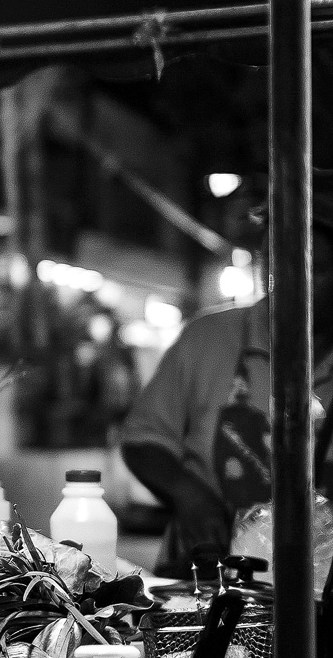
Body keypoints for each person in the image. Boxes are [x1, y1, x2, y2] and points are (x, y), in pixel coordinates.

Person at [121, 175, 333, 578]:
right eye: (275, 264)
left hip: (317, 585)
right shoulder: (208, 338)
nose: (290, 285)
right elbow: (142, 438)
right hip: (201, 572)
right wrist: (189, 495)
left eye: (313, 270)